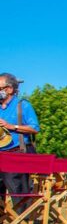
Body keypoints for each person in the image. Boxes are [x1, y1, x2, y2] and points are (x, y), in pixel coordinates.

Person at [0, 73, 40, 205]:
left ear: (9, 89)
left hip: (17, 154)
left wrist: (11, 126)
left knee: (18, 193)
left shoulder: (22, 105)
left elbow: (34, 128)